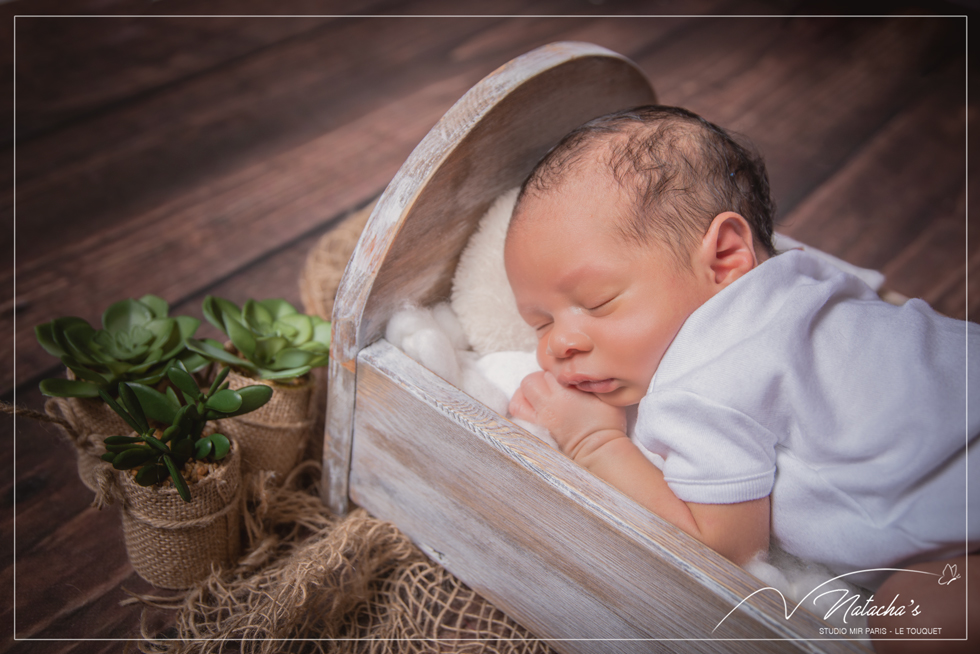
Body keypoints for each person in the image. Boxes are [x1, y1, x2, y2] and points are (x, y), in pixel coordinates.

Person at [504, 105, 978, 651]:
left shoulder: (704, 375)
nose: (558, 344)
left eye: (597, 302)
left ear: (727, 257)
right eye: (539, 323)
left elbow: (724, 551)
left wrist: (594, 439)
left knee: (913, 626)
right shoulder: (803, 274)